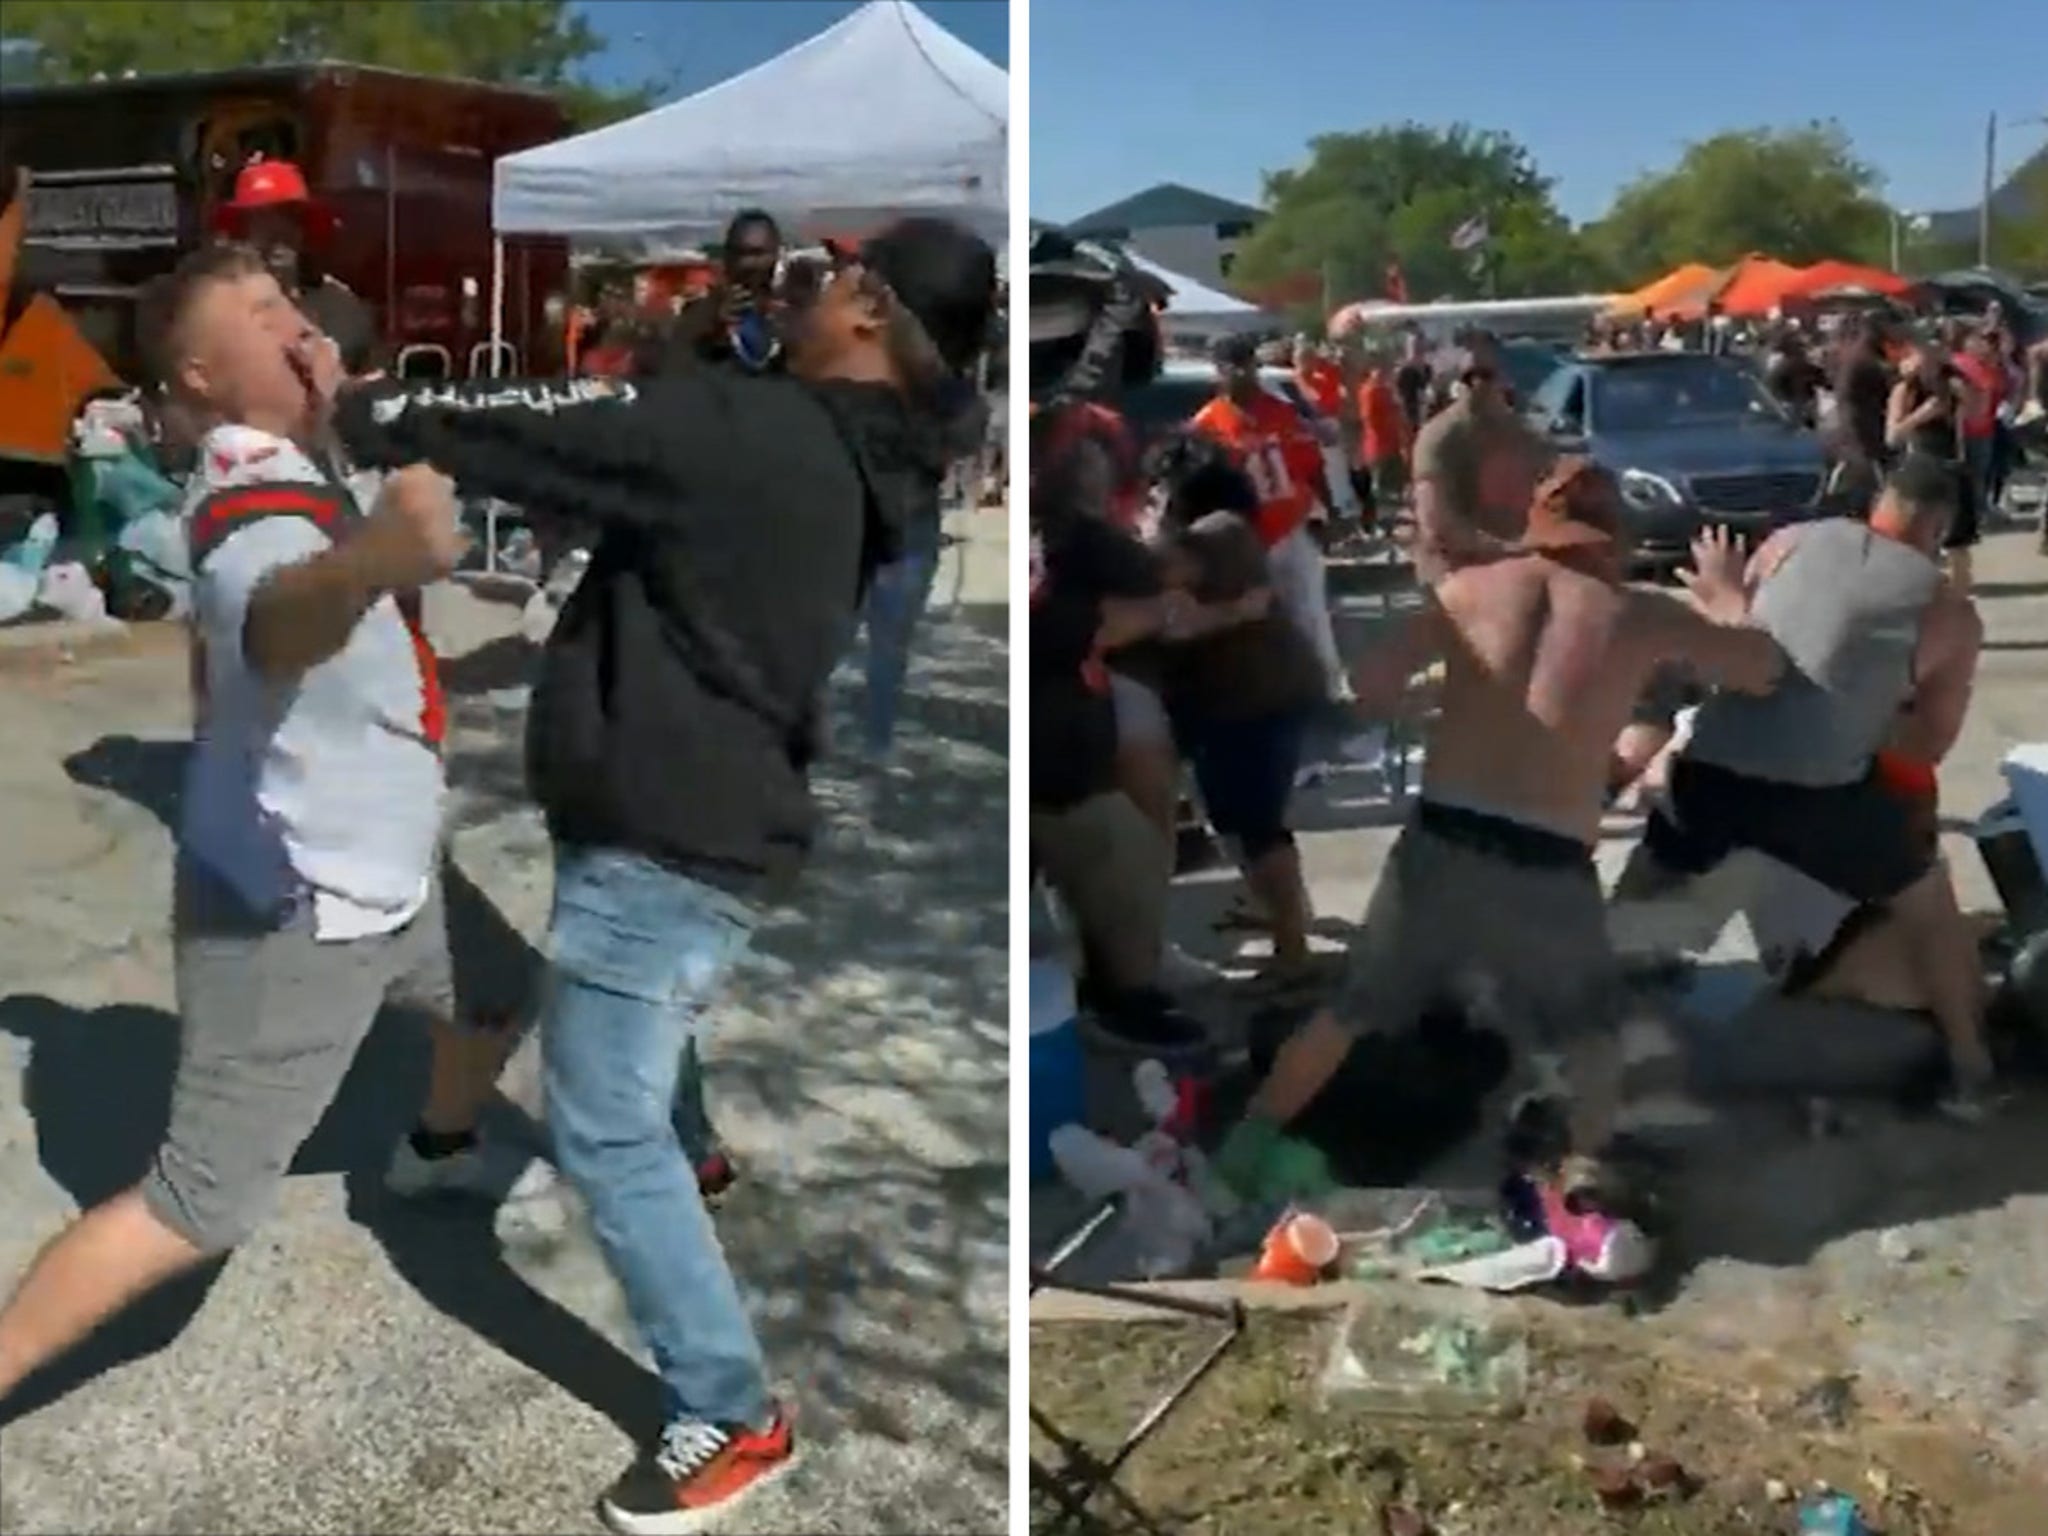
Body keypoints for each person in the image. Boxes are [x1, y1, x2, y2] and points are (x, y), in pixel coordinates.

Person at [327, 217, 999, 1531]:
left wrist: (384, 406)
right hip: (690, 819)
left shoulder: (763, 431)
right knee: (635, 1058)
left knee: (597, 1120)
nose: (799, 293)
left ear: (870, 311)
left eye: (828, 279)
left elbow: (560, 430)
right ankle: (684, 1157)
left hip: (668, 840)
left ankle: (735, 1416)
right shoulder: (860, 460)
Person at [0, 245, 522, 1408]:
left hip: (387, 869)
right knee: (198, 1205)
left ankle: (436, 1151)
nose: (297, 323)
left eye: (294, 302)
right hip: (294, 909)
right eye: (261, 312)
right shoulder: (249, 506)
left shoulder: (303, 456)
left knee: (493, 988)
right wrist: (380, 556)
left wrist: (363, 434)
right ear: (195, 372)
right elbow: (271, 621)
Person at [1212, 460, 1784, 1201]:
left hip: (1441, 841)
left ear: (1536, 531)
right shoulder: (1638, 612)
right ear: (1613, 539)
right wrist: (1729, 601)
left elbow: (1370, 688)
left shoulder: (1469, 591)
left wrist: (1449, 697)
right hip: (1545, 860)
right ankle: (1580, 1179)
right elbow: (1762, 670)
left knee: (1350, 1010)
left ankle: (1242, 1150)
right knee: (1592, 1034)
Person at [1615, 454, 1996, 1115]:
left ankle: (1592, 1047)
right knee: (1932, 909)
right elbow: (1928, 745)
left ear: (1882, 499)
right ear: (1938, 527)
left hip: (1710, 776)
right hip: (1822, 799)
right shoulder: (1949, 612)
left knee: (1640, 893)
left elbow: (1750, 651)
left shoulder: (1789, 542)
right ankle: (1971, 1071)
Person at [1190, 334, 1345, 701]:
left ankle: (1329, 695)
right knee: (1255, 622)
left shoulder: (1281, 411)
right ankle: (1272, 696)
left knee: (1310, 614)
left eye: (1249, 366)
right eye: (1235, 368)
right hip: (1245, 538)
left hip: (1290, 527)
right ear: (1220, 373)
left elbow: (1309, 465)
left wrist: (1330, 511)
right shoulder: (1207, 424)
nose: (1244, 375)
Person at [214, 156, 380, 376]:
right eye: (262, 221)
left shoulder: (341, 308)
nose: (278, 231)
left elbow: (369, 387)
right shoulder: (217, 311)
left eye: (289, 218)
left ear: (305, 231)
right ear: (242, 234)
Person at [1406, 341, 1552, 579]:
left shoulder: (1528, 437)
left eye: (1486, 376)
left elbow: (1554, 500)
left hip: (1519, 566)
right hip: (1456, 570)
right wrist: (1502, 550)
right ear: (1458, 383)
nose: (1478, 384)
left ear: (1504, 380)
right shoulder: (1439, 436)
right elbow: (1435, 522)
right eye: (1469, 377)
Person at [1887, 335, 1982, 592]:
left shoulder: (1954, 383)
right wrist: (1921, 415)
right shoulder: (1907, 389)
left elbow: (1978, 416)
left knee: (1958, 543)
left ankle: (1960, 601)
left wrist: (1967, 395)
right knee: (1917, 538)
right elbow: (1892, 436)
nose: (1929, 357)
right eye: (1924, 351)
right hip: (1921, 468)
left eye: (1935, 350)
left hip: (1953, 465)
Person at [649, 208, 788, 375]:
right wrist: (715, 327)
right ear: (727, 257)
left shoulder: (793, 304)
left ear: (777, 254)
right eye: (739, 253)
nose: (746, 263)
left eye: (757, 254)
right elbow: (674, 361)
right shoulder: (706, 309)